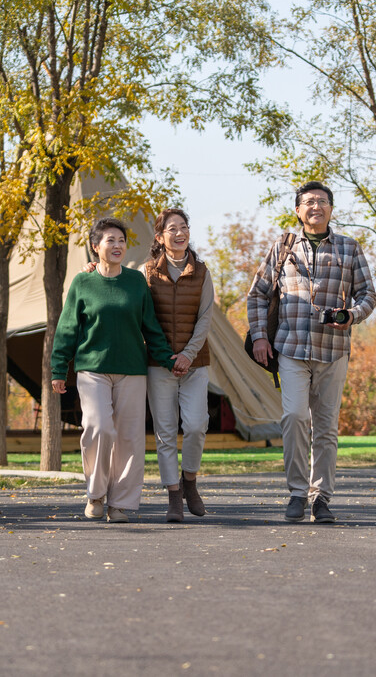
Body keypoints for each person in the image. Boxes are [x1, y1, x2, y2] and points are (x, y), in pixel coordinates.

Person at [246, 182, 376, 524]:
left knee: (325, 428)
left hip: (333, 350)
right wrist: (260, 337)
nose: (315, 206)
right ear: (298, 210)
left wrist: (352, 315)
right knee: (293, 417)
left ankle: (322, 498)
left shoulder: (349, 248)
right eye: (309, 202)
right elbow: (257, 294)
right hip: (290, 347)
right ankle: (296, 492)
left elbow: (368, 296)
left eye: (322, 201)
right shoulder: (283, 247)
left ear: (331, 209)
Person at [51, 217, 179, 524]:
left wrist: (169, 359)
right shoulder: (83, 282)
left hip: (132, 370)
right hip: (92, 369)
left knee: (130, 438)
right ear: (96, 247)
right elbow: (67, 327)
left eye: (121, 240)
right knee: (99, 428)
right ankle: (95, 494)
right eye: (110, 240)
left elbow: (151, 325)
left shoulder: (136, 282)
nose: (118, 245)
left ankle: (120, 503)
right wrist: (59, 367)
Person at [142, 208, 213, 522]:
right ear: (160, 237)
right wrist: (92, 267)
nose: (180, 233)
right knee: (165, 433)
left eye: (184, 227)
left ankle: (190, 482)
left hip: (195, 363)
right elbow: (117, 284)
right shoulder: (145, 273)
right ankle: (173, 496)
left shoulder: (202, 271)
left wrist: (187, 354)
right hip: (158, 365)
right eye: (172, 228)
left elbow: (205, 318)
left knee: (196, 426)